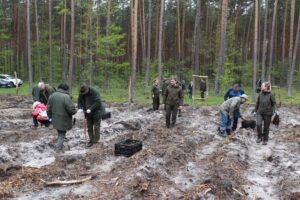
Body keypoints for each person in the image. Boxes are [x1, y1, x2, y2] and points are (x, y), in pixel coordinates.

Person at [47, 83, 77, 152]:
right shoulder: (66, 97)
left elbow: (48, 108)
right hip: (64, 120)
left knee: (59, 133)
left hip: (55, 119)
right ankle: (57, 149)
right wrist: (75, 111)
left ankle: (59, 146)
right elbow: (70, 109)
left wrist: (50, 117)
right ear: (66, 89)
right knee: (61, 135)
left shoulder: (52, 96)